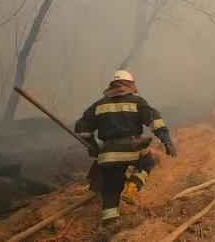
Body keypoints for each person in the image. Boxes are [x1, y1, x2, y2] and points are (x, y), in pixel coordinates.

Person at [74, 70, 177, 228]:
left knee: (110, 189)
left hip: (107, 155)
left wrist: (93, 147)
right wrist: (166, 141)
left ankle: (110, 223)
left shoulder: (99, 105)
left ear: (112, 85)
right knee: (148, 162)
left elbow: (82, 129)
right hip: (132, 149)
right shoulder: (137, 102)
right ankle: (133, 186)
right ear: (130, 84)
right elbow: (155, 122)